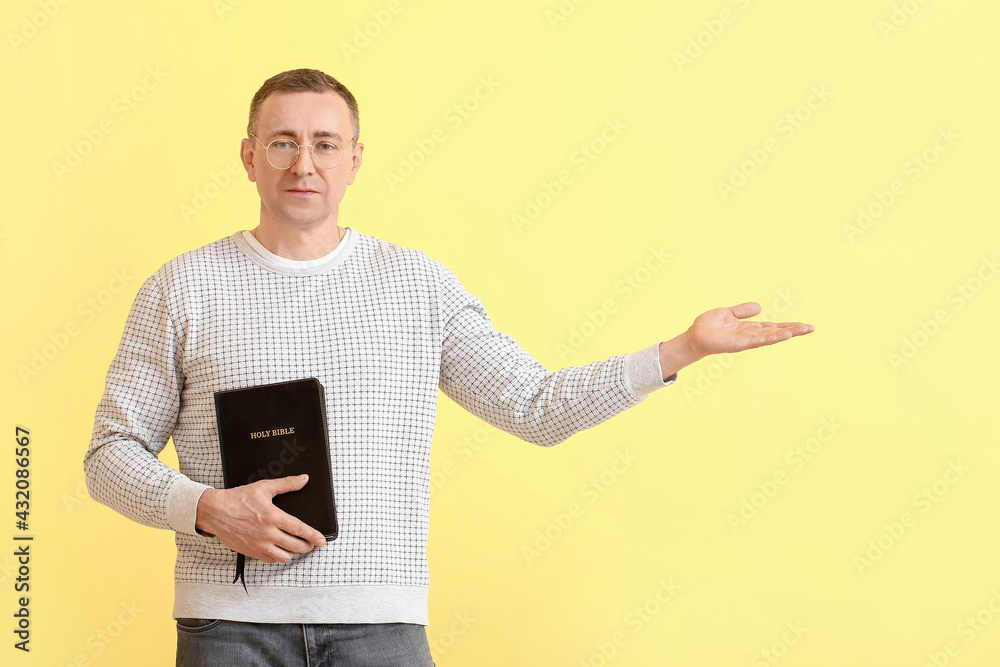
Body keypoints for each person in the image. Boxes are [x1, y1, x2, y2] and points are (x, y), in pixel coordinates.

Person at [84, 68, 814, 667]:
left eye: (325, 144)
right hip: (228, 629)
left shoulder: (418, 286)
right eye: (282, 142)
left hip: (380, 630)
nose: (303, 163)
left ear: (354, 160)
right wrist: (206, 508)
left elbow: (534, 405)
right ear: (249, 157)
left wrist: (679, 351)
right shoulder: (182, 287)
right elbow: (110, 455)